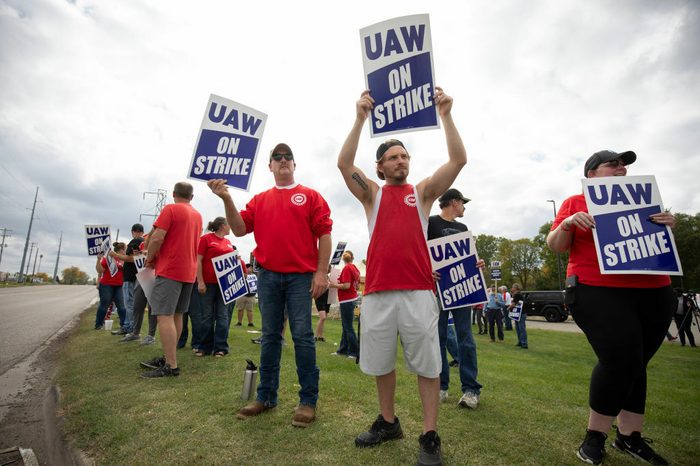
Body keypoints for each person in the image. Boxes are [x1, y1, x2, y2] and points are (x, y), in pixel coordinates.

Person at [337, 87, 467, 465]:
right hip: (377, 291)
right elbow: (344, 165)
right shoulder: (372, 195)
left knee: (428, 364)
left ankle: (429, 434)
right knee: (381, 363)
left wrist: (446, 114)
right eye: (393, 157)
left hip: (417, 291)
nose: (400, 161)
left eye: (404, 156)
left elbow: (458, 159)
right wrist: (360, 118)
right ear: (380, 166)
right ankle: (389, 422)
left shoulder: (423, 193)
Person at [547, 150, 676, 465]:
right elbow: (555, 245)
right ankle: (596, 436)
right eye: (613, 163)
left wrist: (669, 224)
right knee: (620, 357)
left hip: (655, 290)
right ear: (592, 173)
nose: (622, 168)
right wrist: (566, 224)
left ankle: (630, 438)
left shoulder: (643, 199)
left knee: (636, 362)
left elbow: (659, 243)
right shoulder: (575, 202)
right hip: (598, 289)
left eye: (625, 164)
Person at [208, 141, 332, 428]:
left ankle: (308, 400)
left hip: (301, 277)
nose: (283, 159)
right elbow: (239, 229)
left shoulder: (311, 196)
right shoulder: (260, 199)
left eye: (288, 156)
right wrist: (226, 198)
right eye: (277, 157)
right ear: (271, 166)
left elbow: (324, 234)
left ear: (294, 164)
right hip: (268, 277)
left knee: (302, 336)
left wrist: (321, 272)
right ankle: (266, 397)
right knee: (270, 336)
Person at [427, 188, 483, 409]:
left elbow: (469, 256)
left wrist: (477, 264)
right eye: (462, 203)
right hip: (439, 290)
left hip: (463, 290)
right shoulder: (430, 223)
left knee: (465, 338)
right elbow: (419, 249)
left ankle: (471, 389)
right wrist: (426, 269)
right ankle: (441, 386)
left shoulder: (463, 228)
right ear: (453, 202)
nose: (464, 207)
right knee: (438, 339)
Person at [140, 182, 202, 378]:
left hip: (171, 269)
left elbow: (157, 238)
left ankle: (171, 366)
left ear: (174, 194)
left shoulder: (171, 209)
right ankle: (169, 357)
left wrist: (149, 258)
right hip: (188, 271)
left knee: (163, 316)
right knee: (177, 315)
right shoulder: (198, 215)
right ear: (191, 197)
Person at [196, 217, 237, 357]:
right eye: (228, 225)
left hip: (225, 285)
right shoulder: (206, 239)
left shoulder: (229, 242)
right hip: (208, 283)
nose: (230, 227)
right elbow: (199, 260)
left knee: (222, 315)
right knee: (207, 316)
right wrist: (200, 281)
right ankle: (204, 346)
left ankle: (220, 347)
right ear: (222, 226)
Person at [330, 250, 360, 359]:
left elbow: (346, 285)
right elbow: (354, 285)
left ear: (343, 259)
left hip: (347, 300)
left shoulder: (347, 268)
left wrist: (333, 285)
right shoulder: (354, 268)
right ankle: (343, 349)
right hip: (351, 298)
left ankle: (354, 352)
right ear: (352, 258)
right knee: (345, 326)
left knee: (348, 327)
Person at [117, 224, 145, 337]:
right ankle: (128, 326)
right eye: (136, 231)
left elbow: (131, 259)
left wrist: (115, 255)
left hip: (130, 277)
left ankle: (130, 327)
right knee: (132, 303)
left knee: (129, 303)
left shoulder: (136, 241)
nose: (137, 233)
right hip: (137, 276)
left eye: (138, 231)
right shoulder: (143, 241)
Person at [94, 242, 127, 330]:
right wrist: (98, 260)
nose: (126, 251)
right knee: (104, 305)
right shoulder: (108, 258)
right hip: (106, 285)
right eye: (125, 249)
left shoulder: (125, 259)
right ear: (121, 250)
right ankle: (98, 324)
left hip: (119, 285)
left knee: (121, 306)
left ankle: (124, 325)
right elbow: (100, 270)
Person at [235, 263, 256, 327]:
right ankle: (239, 322)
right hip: (241, 295)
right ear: (245, 268)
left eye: (251, 268)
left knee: (250, 310)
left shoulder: (254, 276)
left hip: (251, 295)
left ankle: (250, 323)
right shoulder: (241, 275)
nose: (250, 269)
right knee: (240, 309)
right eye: (248, 268)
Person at [314, 266, 332, 342]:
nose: (328, 269)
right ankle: (315, 336)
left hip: (327, 298)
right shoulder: (319, 276)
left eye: (329, 268)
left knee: (324, 318)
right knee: (322, 317)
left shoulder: (328, 277)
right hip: (320, 298)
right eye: (328, 267)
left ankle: (320, 336)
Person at [509, 283, 528, 349]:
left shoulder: (517, 295)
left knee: (521, 328)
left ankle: (524, 343)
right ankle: (520, 342)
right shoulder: (516, 294)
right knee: (518, 328)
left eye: (512, 287)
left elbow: (513, 304)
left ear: (516, 288)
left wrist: (508, 308)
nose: (511, 288)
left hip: (521, 314)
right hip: (518, 314)